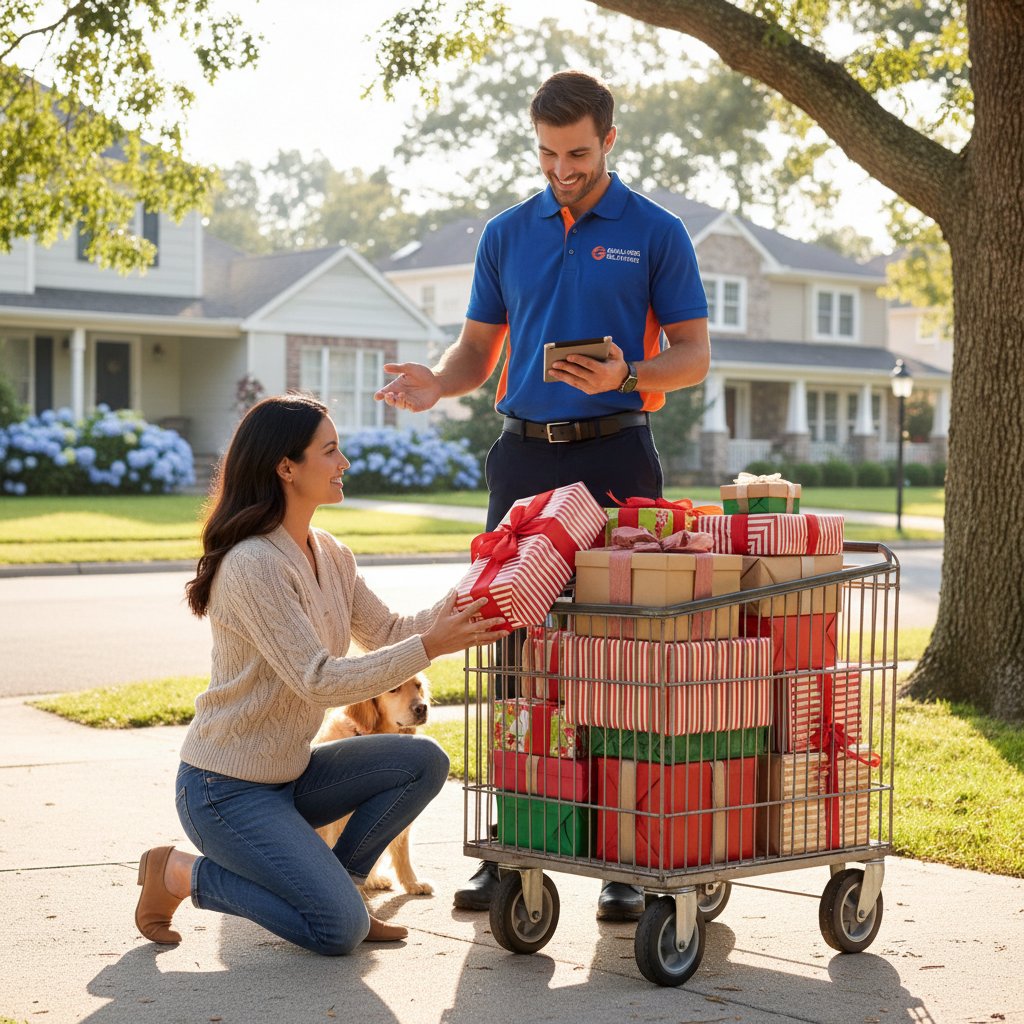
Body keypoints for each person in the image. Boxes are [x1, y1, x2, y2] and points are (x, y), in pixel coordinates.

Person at [374, 71, 711, 921]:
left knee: (618, 657)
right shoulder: (507, 233)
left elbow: (694, 357)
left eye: (578, 154)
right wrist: (436, 382)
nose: (563, 170)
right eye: (548, 154)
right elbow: (475, 352)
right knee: (513, 653)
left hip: (617, 457)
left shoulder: (656, 232)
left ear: (609, 140)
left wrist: (628, 373)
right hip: (523, 459)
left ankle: (627, 853)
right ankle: (514, 846)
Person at [133, 395, 508, 955]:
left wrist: (480, 587)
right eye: (330, 451)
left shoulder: (330, 553)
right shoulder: (252, 564)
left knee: (423, 760)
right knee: (336, 932)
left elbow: (389, 630)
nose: (344, 463)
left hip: (290, 776)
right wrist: (431, 645)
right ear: (286, 467)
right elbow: (318, 679)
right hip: (223, 791)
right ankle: (181, 874)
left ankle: (343, 888)